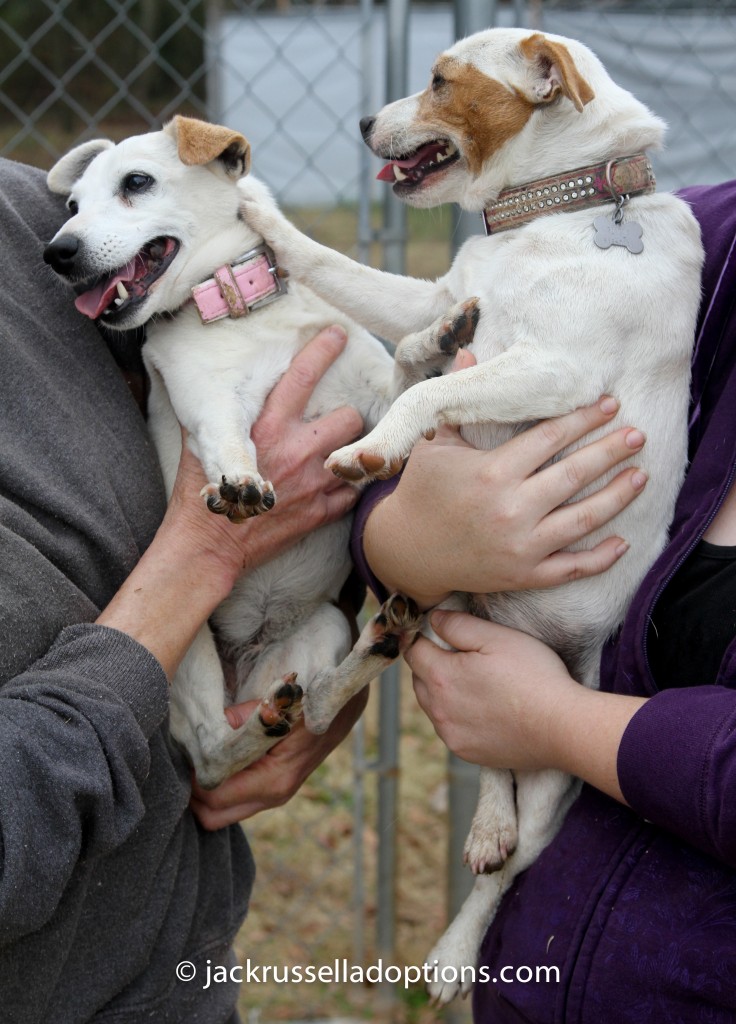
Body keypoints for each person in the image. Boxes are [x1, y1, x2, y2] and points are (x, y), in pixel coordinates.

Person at [352, 179, 736, 1023]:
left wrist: (553, 723)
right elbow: (410, 478)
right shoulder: (670, 234)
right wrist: (404, 539)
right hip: (533, 978)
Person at [0, 156, 368, 1023]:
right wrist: (205, 554)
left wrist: (328, 641)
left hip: (178, 966)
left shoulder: (32, 221)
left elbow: (275, 401)